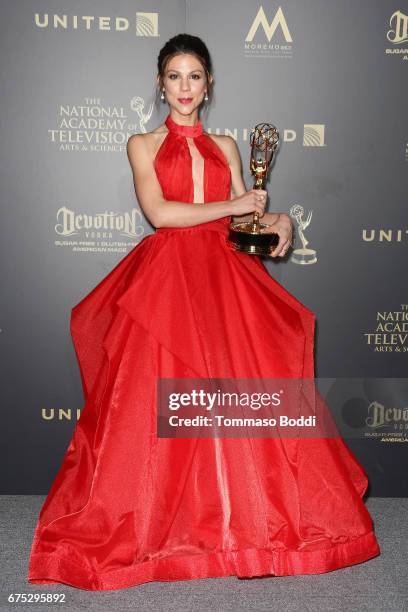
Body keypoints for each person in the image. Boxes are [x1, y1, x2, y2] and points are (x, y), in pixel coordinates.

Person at [27, 33, 380, 591]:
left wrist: (279, 222)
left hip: (226, 277)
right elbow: (162, 213)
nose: (185, 87)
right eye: (174, 76)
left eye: (195, 76)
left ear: (209, 83)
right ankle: (167, 529)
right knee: (154, 407)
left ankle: (245, 528)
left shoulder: (228, 146)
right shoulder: (141, 143)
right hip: (167, 282)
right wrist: (234, 205)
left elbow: (246, 220)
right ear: (160, 82)